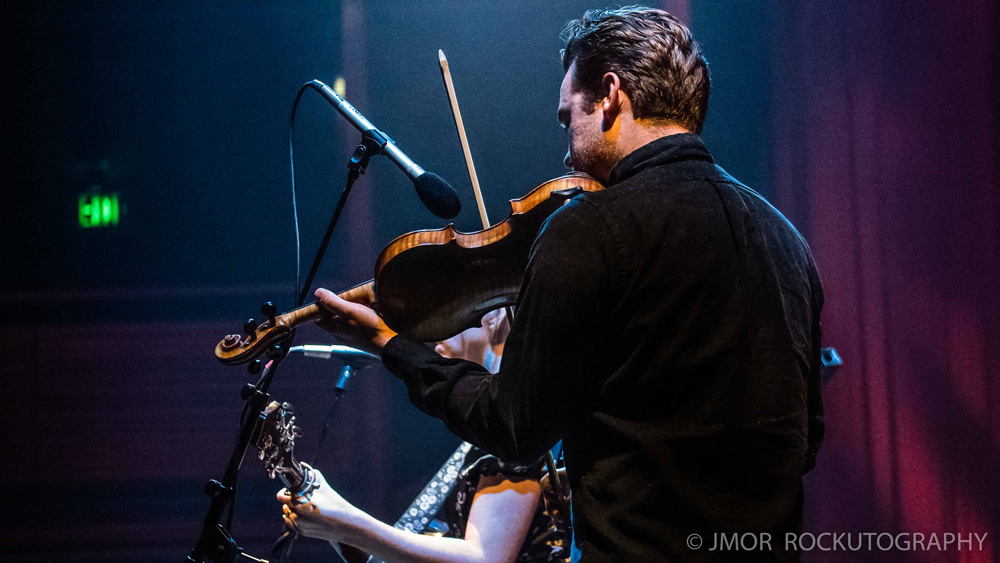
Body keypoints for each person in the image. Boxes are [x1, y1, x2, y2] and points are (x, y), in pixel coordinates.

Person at [308, 7, 824, 562]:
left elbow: (513, 428)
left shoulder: (589, 228)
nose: (565, 147)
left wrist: (394, 346)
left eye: (566, 118)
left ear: (609, 94)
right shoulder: (787, 241)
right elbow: (807, 439)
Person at [278, 310, 570, 563]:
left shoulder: (516, 424)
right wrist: (332, 525)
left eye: (451, 312)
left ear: (492, 319)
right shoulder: (487, 431)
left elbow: (485, 557)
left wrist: (346, 523)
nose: (431, 329)